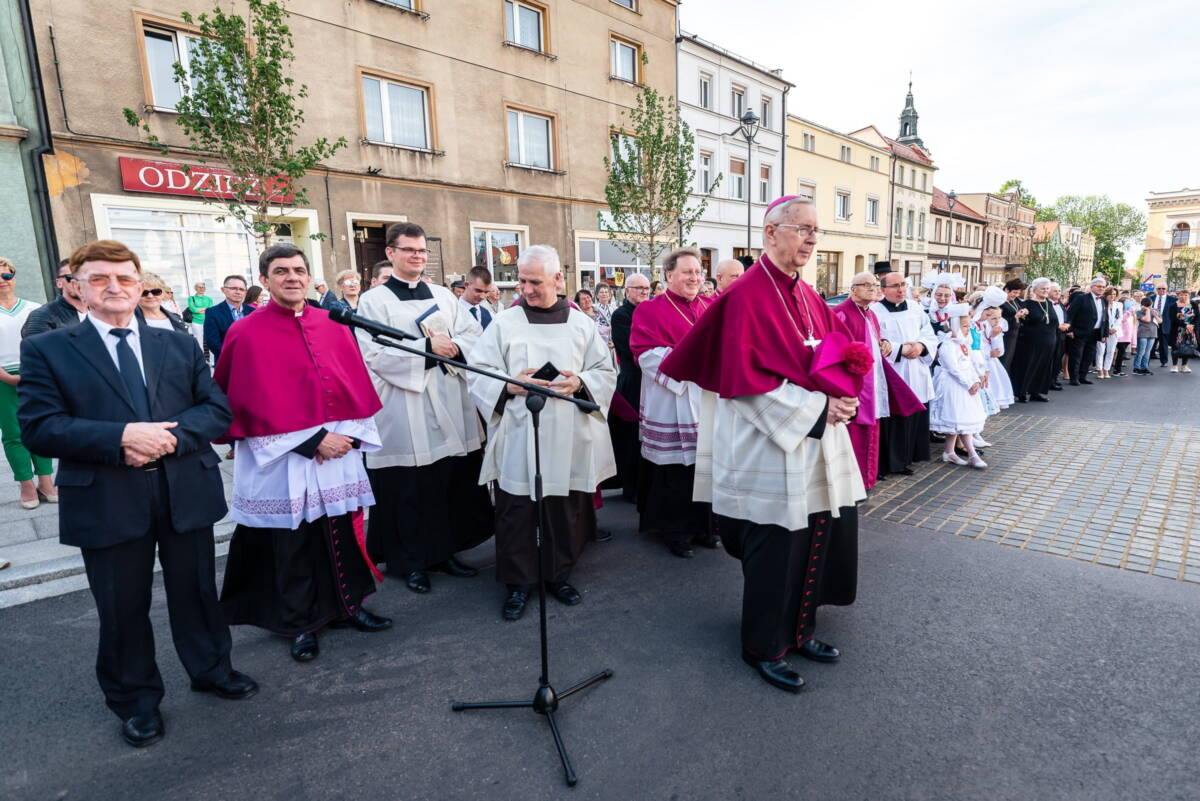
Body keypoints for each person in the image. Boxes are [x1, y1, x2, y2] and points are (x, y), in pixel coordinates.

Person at [18, 240, 257, 748]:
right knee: (121, 606)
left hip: (183, 488)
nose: (115, 288)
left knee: (196, 592)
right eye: (100, 278)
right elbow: (39, 427)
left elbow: (215, 409)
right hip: (106, 495)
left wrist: (165, 438)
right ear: (77, 288)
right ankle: (136, 701)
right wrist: (120, 438)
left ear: (138, 283)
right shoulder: (48, 348)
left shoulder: (177, 343)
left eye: (125, 278)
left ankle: (212, 669)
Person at [660, 196, 866, 694]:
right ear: (770, 232)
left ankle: (801, 631)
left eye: (817, 231)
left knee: (816, 531)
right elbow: (745, 382)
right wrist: (820, 410)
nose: (812, 239)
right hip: (768, 445)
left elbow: (836, 357)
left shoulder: (810, 296)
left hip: (813, 441)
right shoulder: (746, 296)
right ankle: (764, 647)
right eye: (803, 229)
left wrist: (844, 397)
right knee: (777, 548)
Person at [215, 244, 391, 663]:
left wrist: (346, 436)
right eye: (281, 271)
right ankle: (301, 622)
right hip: (284, 460)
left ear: (310, 276)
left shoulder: (333, 323)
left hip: (338, 453)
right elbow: (242, 403)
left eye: (299, 270)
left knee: (341, 534)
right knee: (291, 544)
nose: (292, 277)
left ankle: (349, 607)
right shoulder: (245, 332)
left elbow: (354, 386)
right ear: (265, 280)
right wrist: (313, 442)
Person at [468, 245, 616, 622]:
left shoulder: (581, 323)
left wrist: (580, 382)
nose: (526, 289)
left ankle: (558, 575)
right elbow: (479, 373)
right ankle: (518, 584)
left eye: (535, 281)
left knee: (563, 510)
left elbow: (605, 371)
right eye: (521, 280)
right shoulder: (504, 322)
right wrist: (508, 386)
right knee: (517, 511)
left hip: (568, 431)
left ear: (557, 279)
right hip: (521, 430)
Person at [356, 223, 492, 595]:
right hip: (406, 403)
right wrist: (429, 350)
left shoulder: (443, 295)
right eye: (409, 250)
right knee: (410, 488)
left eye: (422, 251)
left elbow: (473, 335)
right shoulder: (374, 301)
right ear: (391, 253)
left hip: (448, 396)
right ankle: (410, 561)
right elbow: (375, 354)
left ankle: (444, 552)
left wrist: (454, 347)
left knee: (446, 480)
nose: (417, 256)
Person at [629, 248, 716, 558]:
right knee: (675, 472)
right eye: (687, 272)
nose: (695, 277)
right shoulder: (649, 310)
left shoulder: (710, 306)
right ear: (669, 275)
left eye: (698, 272)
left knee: (705, 465)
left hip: (706, 398)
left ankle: (705, 526)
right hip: (671, 399)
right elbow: (644, 354)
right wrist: (691, 365)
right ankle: (675, 532)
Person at [834, 272, 923, 489]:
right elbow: (837, 348)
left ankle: (868, 479)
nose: (873, 288)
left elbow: (874, 338)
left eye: (875, 285)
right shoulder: (841, 313)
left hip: (874, 380)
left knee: (873, 428)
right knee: (855, 432)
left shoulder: (870, 314)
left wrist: (882, 342)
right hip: (856, 384)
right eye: (867, 285)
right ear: (853, 289)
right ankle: (853, 484)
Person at [0, 258, 55, 509]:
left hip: (35, 376)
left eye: (7, 275)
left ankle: (46, 482)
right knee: (13, 434)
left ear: (14, 277)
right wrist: (7, 377)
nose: (3, 281)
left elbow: (49, 345)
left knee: (41, 427)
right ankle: (25, 484)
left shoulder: (35, 309)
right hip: (3, 378)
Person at [871, 272, 937, 477]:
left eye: (902, 285)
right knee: (892, 416)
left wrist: (921, 346)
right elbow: (876, 343)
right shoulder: (875, 311)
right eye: (894, 286)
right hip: (893, 371)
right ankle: (884, 463)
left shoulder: (916, 308)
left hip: (916, 368)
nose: (900, 289)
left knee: (913, 415)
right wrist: (901, 349)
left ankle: (904, 459)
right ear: (882, 290)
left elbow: (929, 333)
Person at [608, 272, 650, 503]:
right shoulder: (621, 315)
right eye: (639, 288)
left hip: (650, 381)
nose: (644, 292)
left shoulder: (650, 311)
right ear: (627, 291)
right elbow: (630, 348)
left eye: (646, 288)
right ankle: (631, 487)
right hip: (633, 382)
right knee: (632, 437)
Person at [930, 303, 988, 469]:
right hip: (953, 386)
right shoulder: (948, 345)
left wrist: (975, 379)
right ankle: (972, 454)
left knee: (960, 420)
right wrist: (969, 382)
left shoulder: (963, 344)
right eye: (963, 326)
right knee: (959, 419)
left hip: (964, 385)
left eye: (968, 326)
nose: (967, 329)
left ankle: (949, 451)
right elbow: (953, 369)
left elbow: (968, 364)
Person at [1008, 278, 1058, 402]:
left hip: (1049, 341)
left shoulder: (1049, 303)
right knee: (1027, 366)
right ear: (1034, 290)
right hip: (1030, 342)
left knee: (1043, 367)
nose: (1046, 291)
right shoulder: (1027, 304)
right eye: (1043, 289)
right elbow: (1022, 321)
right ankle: (1021, 391)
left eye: (1047, 288)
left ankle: (1037, 391)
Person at [21, 259, 88, 337]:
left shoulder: (101, 312)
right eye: (71, 277)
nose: (78, 282)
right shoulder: (42, 316)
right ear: (59, 283)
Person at [1065, 276, 1110, 386]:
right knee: (1076, 356)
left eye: (1103, 287)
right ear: (1092, 287)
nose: (1101, 289)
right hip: (1079, 331)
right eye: (1099, 286)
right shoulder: (1081, 298)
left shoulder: (1104, 300)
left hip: (1095, 332)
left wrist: (1105, 333)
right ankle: (1074, 378)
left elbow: (1105, 317)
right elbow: (1070, 314)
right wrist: (1069, 329)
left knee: (1089, 356)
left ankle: (1082, 376)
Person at [974, 293, 1014, 411]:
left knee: (996, 382)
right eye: (993, 318)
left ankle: (993, 401)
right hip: (982, 360)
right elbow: (977, 347)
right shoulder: (979, 327)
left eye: (998, 318)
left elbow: (999, 350)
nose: (996, 321)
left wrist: (995, 337)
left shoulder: (996, 329)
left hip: (992, 361)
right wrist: (988, 353)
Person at [203, 274, 253, 363]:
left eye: (241, 289)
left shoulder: (253, 312)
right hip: (227, 364)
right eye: (233, 288)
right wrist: (236, 357)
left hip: (252, 362)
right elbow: (213, 342)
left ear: (245, 292)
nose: (238, 292)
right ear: (223, 290)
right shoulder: (213, 312)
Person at [1000, 279, 1028, 371]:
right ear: (1007, 290)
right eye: (1014, 292)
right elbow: (999, 320)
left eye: (1018, 293)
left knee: (1010, 361)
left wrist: (1024, 311)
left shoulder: (1014, 301)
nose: (1016, 295)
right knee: (1004, 360)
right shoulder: (1000, 302)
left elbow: (1019, 309)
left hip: (1014, 334)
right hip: (1005, 335)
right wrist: (1015, 317)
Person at [1094, 287, 1121, 379]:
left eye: (1114, 294)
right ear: (1106, 295)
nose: (1112, 296)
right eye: (1110, 294)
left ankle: (1106, 369)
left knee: (1111, 351)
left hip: (1114, 331)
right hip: (1102, 330)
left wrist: (1115, 328)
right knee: (1100, 351)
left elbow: (1119, 318)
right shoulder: (1101, 303)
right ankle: (1099, 370)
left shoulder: (1119, 305)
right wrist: (1107, 329)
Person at [1046, 282, 1069, 390]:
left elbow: (1065, 316)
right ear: (1048, 291)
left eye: (1059, 291)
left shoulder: (1059, 304)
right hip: (1051, 334)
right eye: (1055, 291)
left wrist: (1067, 324)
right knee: (1049, 359)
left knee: (1058, 358)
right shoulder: (1045, 303)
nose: (1058, 293)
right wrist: (1058, 326)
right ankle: (1048, 381)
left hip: (1062, 335)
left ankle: (1054, 379)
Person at [1169, 289, 1199, 373]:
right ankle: (1174, 365)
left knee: (1188, 347)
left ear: (1189, 296)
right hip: (1177, 330)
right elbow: (1173, 319)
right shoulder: (1173, 306)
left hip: (1190, 330)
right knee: (1175, 347)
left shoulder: (1193, 304)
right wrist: (1186, 325)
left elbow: (1197, 317)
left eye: (1186, 295)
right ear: (1178, 295)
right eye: (1181, 295)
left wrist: (1192, 325)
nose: (1184, 297)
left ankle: (1184, 366)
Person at [459, 266, 495, 330]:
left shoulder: (489, 315)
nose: (482, 296)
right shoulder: (452, 312)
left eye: (486, 292)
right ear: (466, 285)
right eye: (478, 291)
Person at [1149, 283, 1175, 367]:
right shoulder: (1151, 298)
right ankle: (1147, 359)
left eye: (1163, 288)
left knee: (1163, 344)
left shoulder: (1172, 299)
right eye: (1159, 288)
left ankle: (1163, 361)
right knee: (1150, 342)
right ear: (1156, 290)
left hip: (1165, 324)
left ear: (1166, 289)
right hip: (1152, 323)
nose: (1161, 290)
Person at [1133, 297, 1160, 376]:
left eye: (1149, 305)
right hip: (1143, 334)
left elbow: (1160, 321)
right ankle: (1136, 368)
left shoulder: (1155, 311)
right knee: (1141, 351)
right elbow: (1147, 320)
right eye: (1147, 305)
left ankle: (1144, 367)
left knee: (1147, 352)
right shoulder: (1139, 312)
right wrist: (1148, 311)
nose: (1149, 306)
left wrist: (1155, 315)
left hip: (1153, 334)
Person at [1113, 296, 1138, 377]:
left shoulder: (1131, 314)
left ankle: (1118, 369)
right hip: (1120, 337)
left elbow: (1132, 328)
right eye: (1128, 302)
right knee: (1120, 353)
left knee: (1121, 354)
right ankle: (1117, 370)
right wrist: (1128, 312)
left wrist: (1133, 341)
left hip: (1127, 337)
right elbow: (1121, 320)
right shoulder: (1122, 312)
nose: (1130, 304)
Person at [185, 281, 213, 352]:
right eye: (199, 287)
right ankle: (202, 360)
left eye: (203, 287)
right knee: (198, 341)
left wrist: (199, 310)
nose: (201, 288)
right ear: (195, 288)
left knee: (211, 340)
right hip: (196, 322)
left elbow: (210, 309)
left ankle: (212, 361)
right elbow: (192, 309)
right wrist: (203, 309)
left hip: (208, 322)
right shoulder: (191, 298)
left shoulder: (209, 299)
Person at [594, 283, 617, 349]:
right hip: (599, 342)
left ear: (609, 295)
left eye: (606, 292)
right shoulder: (594, 308)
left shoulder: (614, 308)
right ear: (597, 295)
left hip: (613, 342)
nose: (604, 294)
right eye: (601, 292)